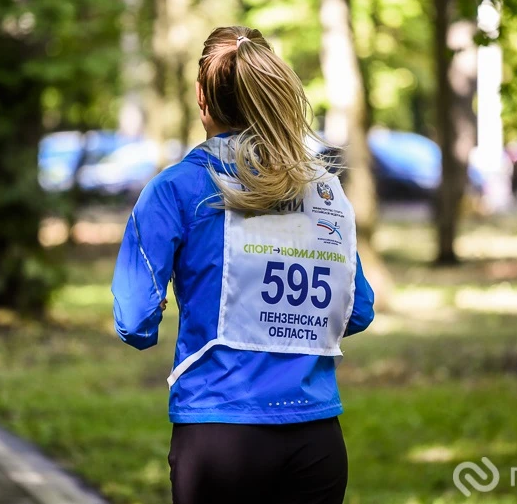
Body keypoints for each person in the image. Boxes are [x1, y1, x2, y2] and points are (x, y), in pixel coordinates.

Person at [111, 25, 375, 504]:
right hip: (316, 441)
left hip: (220, 438)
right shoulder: (322, 189)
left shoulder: (176, 189)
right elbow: (357, 311)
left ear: (201, 97)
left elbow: (134, 321)